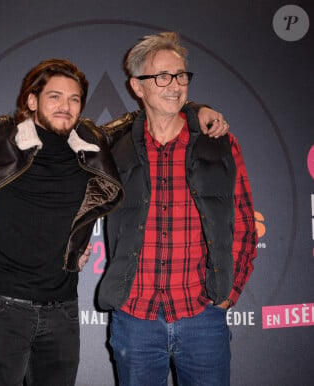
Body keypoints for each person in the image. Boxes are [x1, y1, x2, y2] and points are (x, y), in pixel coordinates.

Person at [0, 55, 228, 385]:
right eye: (55, 96)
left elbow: (148, 111)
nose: (65, 106)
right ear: (32, 101)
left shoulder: (92, 141)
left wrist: (196, 109)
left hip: (63, 314)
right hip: (1, 310)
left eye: (74, 99)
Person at [97, 32, 257, 386]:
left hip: (203, 318)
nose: (174, 85)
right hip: (135, 319)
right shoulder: (114, 147)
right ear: (137, 87)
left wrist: (229, 295)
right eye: (162, 77)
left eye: (181, 75)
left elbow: (245, 223)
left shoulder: (220, 143)